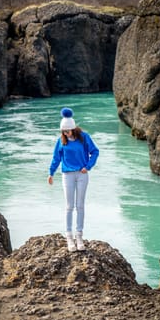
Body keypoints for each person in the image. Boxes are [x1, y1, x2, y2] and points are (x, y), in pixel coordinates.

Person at [48, 107, 99, 252]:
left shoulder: (84, 137)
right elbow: (56, 158)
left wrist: (88, 166)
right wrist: (51, 173)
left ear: (73, 128)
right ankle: (69, 237)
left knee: (80, 206)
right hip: (67, 175)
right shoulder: (61, 141)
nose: (65, 133)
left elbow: (95, 152)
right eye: (63, 131)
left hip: (82, 174)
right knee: (69, 206)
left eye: (68, 130)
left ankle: (79, 236)